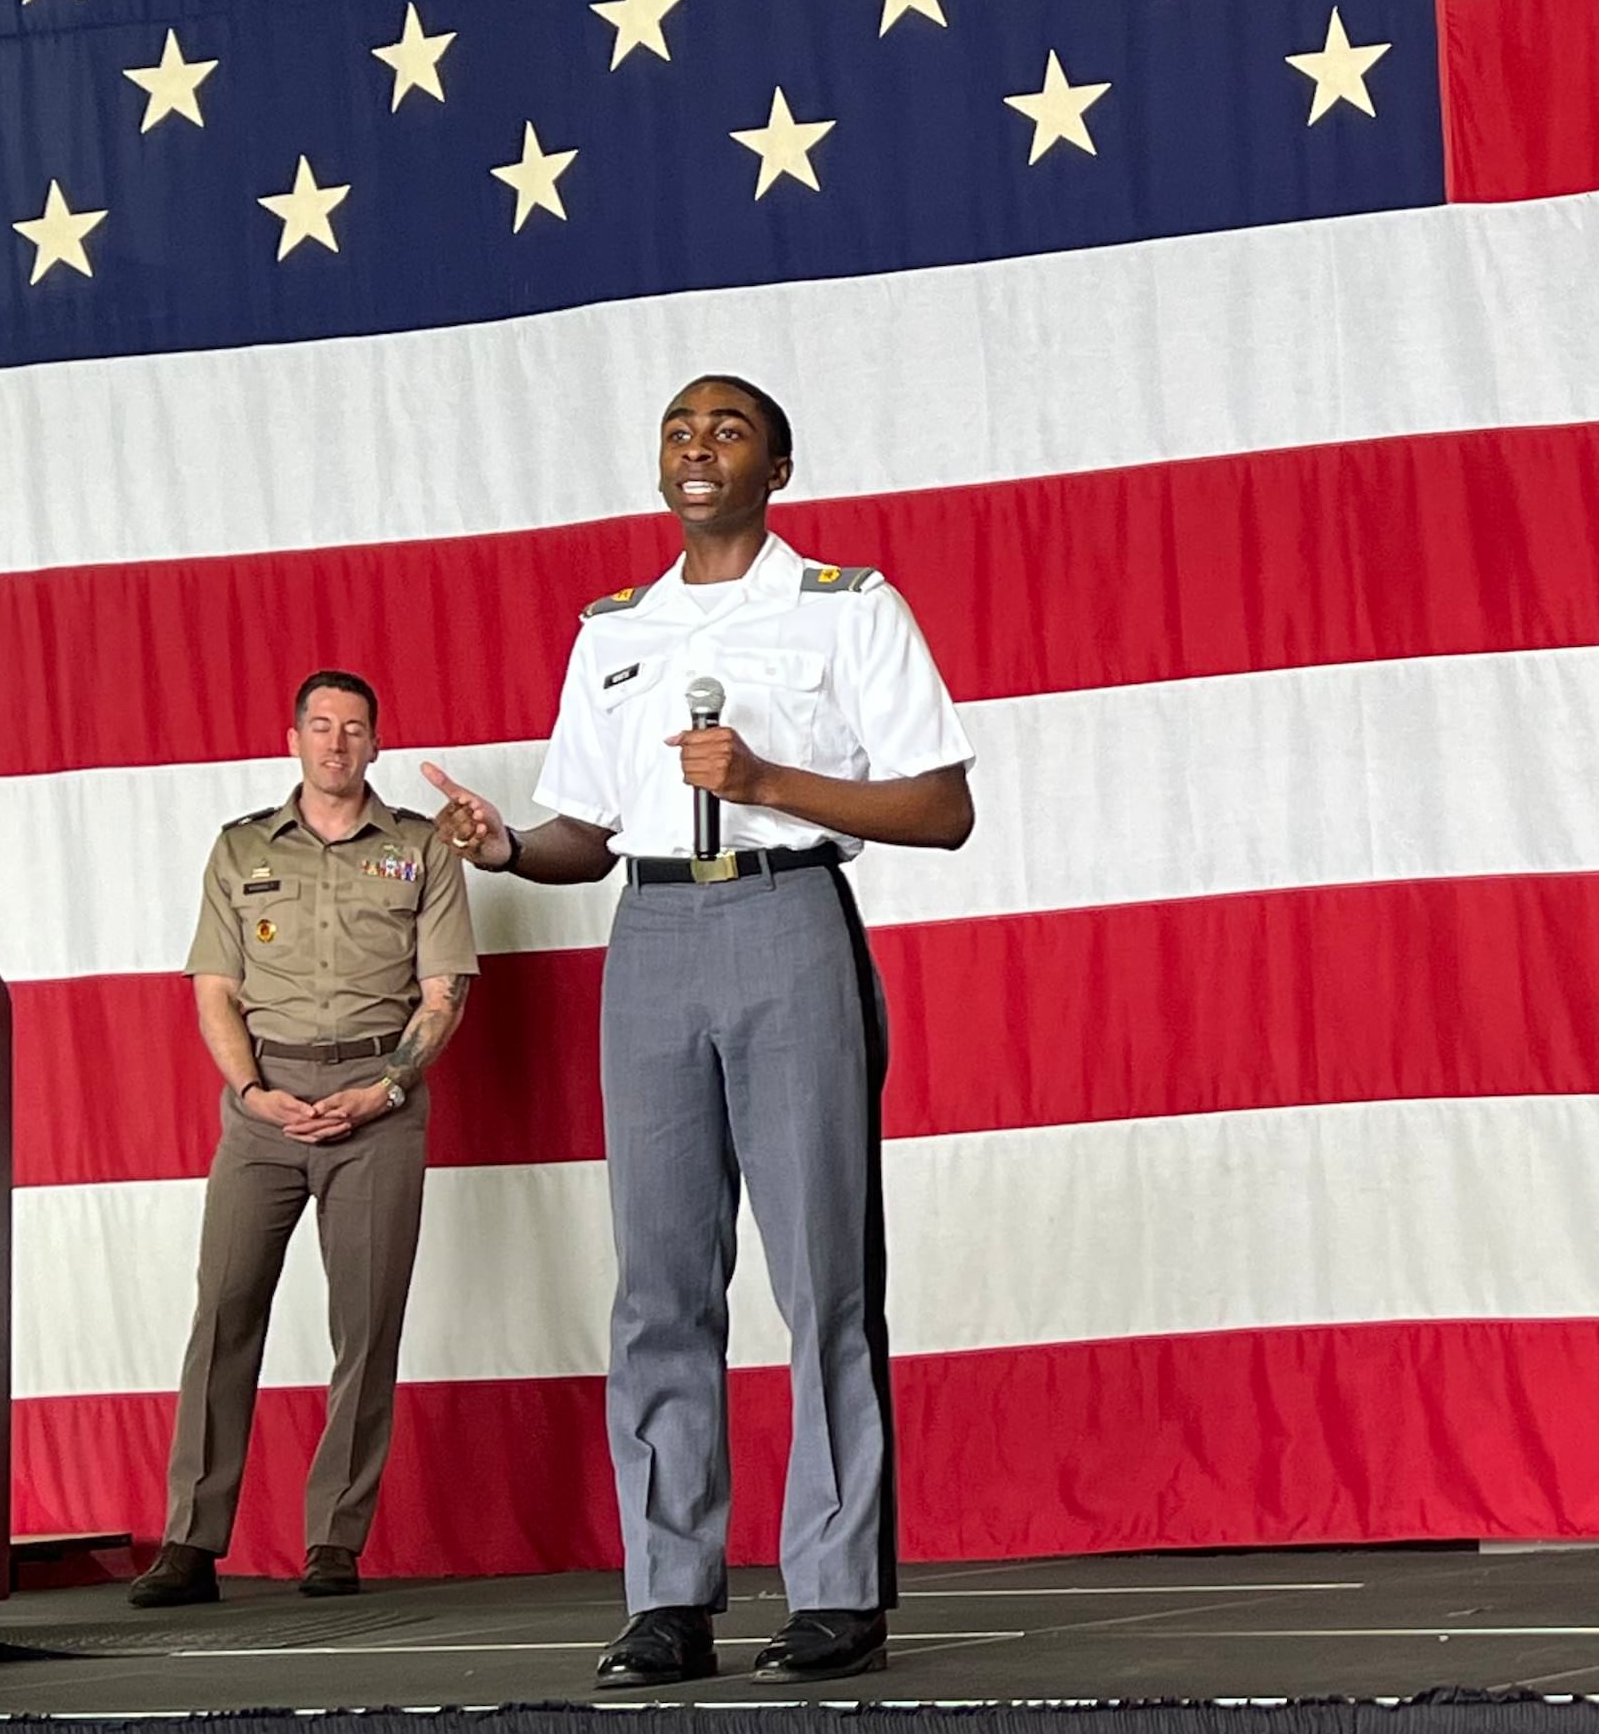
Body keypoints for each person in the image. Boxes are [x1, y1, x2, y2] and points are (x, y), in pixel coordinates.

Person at [424, 377, 976, 1684]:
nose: (697, 447)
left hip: (789, 922)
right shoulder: (616, 631)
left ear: (778, 464)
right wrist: (504, 843)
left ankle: (835, 1589)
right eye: (678, 428)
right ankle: (670, 1596)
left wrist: (769, 780)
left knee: (821, 1278)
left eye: (727, 429)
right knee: (659, 1288)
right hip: (652, 938)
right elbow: (582, 832)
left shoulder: (847, 608)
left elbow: (942, 808)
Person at [126, 671, 475, 1608]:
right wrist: (254, 1091)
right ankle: (190, 1543)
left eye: (354, 728)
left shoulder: (419, 849)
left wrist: (384, 1088)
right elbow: (214, 990)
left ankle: (334, 1540)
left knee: (365, 1327)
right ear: (294, 739)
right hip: (264, 1106)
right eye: (320, 726)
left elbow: (446, 990)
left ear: (374, 743)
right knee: (224, 1316)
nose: (336, 743)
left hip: (381, 1105)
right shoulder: (241, 849)